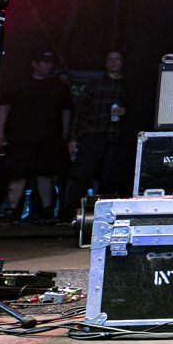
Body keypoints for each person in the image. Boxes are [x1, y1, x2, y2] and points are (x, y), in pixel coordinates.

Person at [0, 50, 73, 222]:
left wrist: (65, 135)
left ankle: (46, 210)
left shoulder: (58, 86)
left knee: (45, 174)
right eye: (45, 62)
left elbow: (66, 110)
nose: (49, 66)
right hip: (20, 137)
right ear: (34, 64)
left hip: (49, 137)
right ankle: (12, 210)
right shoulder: (18, 84)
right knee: (18, 174)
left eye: (50, 62)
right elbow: (4, 107)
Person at [60, 50, 135, 219]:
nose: (114, 62)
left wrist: (126, 112)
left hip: (116, 137)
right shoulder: (95, 84)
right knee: (82, 174)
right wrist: (74, 137)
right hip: (93, 133)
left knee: (109, 178)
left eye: (118, 59)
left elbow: (138, 111)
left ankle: (101, 216)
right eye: (110, 59)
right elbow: (81, 111)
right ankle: (68, 212)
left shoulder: (128, 85)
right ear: (106, 62)